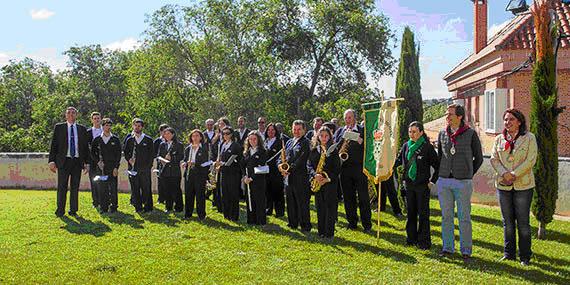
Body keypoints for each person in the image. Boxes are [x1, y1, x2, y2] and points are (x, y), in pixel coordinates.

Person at [490, 108, 537, 266]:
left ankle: (525, 256)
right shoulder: (498, 139)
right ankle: (509, 254)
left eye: (511, 119)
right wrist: (505, 174)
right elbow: (494, 159)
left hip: (523, 186)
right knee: (507, 222)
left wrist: (514, 174)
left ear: (519, 121)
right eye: (505, 119)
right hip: (503, 186)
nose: (507, 122)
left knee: (523, 222)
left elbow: (531, 160)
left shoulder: (529, 138)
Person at [437, 104, 483, 261]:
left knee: (464, 217)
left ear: (459, 116)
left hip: (463, 182)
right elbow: (439, 157)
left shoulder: (470, 134)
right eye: (446, 114)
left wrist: (468, 173)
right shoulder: (442, 133)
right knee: (446, 217)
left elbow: (479, 158)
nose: (447, 117)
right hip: (444, 181)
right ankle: (448, 248)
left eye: (450, 114)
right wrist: (440, 175)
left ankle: (466, 250)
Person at [395, 121, 439, 250]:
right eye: (410, 132)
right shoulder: (406, 146)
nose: (412, 134)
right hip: (409, 185)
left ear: (421, 132)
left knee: (423, 215)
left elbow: (437, 166)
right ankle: (411, 239)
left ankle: (424, 242)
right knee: (411, 213)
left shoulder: (427, 148)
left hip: (422, 186)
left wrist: (432, 182)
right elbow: (398, 161)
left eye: (414, 132)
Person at [333, 109, 371, 232]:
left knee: (363, 197)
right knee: (348, 197)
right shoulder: (340, 131)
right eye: (346, 118)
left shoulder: (362, 130)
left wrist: (359, 139)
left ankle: (367, 224)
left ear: (355, 118)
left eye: (350, 117)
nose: (348, 120)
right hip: (344, 169)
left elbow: (369, 146)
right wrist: (343, 138)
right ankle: (352, 222)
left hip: (359, 168)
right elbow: (335, 146)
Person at [48, 107, 90, 217]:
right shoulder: (59, 127)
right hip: (63, 161)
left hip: (77, 161)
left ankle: (73, 210)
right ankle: (60, 210)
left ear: (76, 115)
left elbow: (85, 148)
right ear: (66, 115)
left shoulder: (82, 129)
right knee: (62, 186)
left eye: (73, 113)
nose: (71, 115)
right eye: (69, 113)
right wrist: (51, 161)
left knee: (75, 187)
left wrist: (87, 163)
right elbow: (54, 145)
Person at [308, 126, 341, 239]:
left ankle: (329, 233)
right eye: (321, 136)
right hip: (317, 182)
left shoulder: (333, 150)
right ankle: (321, 231)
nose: (323, 138)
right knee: (320, 207)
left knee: (330, 208)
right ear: (318, 136)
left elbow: (337, 168)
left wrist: (327, 179)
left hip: (329, 183)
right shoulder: (314, 149)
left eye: (326, 136)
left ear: (330, 137)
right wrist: (314, 175)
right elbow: (309, 165)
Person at [279, 120, 311, 232]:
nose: (296, 131)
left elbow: (301, 160)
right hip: (288, 177)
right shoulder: (289, 142)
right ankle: (292, 223)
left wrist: (288, 169)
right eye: (294, 129)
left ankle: (305, 225)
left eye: (299, 129)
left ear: (304, 130)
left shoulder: (306, 143)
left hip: (300, 177)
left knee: (302, 202)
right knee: (290, 201)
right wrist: (280, 166)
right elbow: (282, 155)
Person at [91, 118, 122, 213]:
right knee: (102, 188)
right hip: (101, 167)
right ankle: (103, 206)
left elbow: (118, 155)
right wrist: (98, 162)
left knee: (113, 187)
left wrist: (116, 167)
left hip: (112, 167)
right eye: (105, 125)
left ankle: (114, 206)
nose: (107, 127)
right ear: (102, 126)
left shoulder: (115, 139)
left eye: (109, 125)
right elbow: (92, 153)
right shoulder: (97, 140)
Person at [124, 118, 155, 213]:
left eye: (139, 126)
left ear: (142, 127)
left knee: (146, 188)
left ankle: (148, 207)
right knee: (135, 189)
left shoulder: (148, 139)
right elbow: (125, 152)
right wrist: (129, 159)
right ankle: (138, 207)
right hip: (133, 169)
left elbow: (152, 154)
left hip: (145, 169)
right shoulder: (129, 139)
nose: (137, 127)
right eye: (135, 125)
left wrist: (148, 166)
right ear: (133, 126)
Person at [182, 129, 210, 220]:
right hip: (189, 174)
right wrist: (185, 163)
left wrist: (194, 163)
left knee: (200, 195)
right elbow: (185, 160)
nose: (195, 138)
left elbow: (206, 162)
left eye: (197, 135)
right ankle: (188, 214)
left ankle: (201, 215)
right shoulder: (188, 148)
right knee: (188, 194)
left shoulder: (204, 149)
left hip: (200, 174)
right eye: (193, 136)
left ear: (201, 137)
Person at [241, 131, 268, 225]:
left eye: (254, 139)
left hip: (258, 180)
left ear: (258, 140)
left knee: (259, 200)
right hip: (248, 180)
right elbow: (242, 166)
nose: (252, 141)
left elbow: (262, 167)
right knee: (250, 200)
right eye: (250, 139)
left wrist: (251, 178)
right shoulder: (246, 152)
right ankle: (251, 220)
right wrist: (245, 176)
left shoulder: (263, 152)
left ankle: (260, 221)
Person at [216, 126, 242, 221]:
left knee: (233, 194)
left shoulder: (236, 146)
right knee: (225, 194)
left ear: (231, 134)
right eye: (223, 134)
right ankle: (226, 214)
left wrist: (223, 163)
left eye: (227, 133)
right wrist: (218, 164)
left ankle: (234, 216)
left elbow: (238, 160)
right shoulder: (222, 144)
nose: (225, 135)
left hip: (233, 174)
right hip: (224, 173)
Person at [157, 127, 184, 213]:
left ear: (173, 134)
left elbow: (181, 156)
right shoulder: (162, 144)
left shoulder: (179, 144)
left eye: (168, 133)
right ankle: (168, 207)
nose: (166, 135)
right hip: (165, 171)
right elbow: (158, 155)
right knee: (167, 189)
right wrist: (161, 159)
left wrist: (172, 158)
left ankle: (179, 207)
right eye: (165, 134)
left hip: (175, 171)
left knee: (176, 189)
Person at [264, 123, 285, 217]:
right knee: (267, 190)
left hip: (276, 171)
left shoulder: (280, 142)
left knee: (277, 191)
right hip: (266, 170)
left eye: (273, 130)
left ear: (276, 131)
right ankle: (268, 209)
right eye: (269, 130)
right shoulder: (264, 141)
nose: (271, 132)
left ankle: (279, 211)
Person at [86, 111, 102, 208]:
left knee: (103, 181)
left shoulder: (104, 131)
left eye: (98, 118)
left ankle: (104, 200)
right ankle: (95, 202)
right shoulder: (87, 132)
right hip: (92, 161)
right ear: (92, 120)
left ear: (100, 119)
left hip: (103, 160)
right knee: (93, 181)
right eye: (94, 118)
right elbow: (85, 148)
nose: (96, 120)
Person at [154, 124, 170, 204]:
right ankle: (161, 198)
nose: (165, 133)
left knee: (169, 182)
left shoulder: (171, 141)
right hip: (160, 164)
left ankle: (169, 198)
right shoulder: (157, 141)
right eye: (163, 132)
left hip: (170, 165)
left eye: (166, 131)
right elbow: (154, 153)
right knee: (160, 182)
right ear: (160, 132)